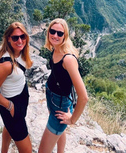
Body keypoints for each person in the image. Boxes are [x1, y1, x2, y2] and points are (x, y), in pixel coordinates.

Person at [38, 18, 89, 153]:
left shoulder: (68, 59)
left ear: (65, 36)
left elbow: (84, 97)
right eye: (52, 31)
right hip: (52, 96)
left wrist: (72, 120)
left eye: (59, 33)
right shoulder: (55, 49)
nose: (55, 35)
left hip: (60, 104)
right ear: (48, 32)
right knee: (60, 132)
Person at [0, 22, 33, 153]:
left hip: (21, 97)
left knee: (8, 128)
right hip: (12, 104)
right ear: (8, 39)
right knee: (27, 150)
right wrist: (10, 106)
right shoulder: (6, 64)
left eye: (22, 36)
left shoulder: (21, 54)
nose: (20, 40)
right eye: (15, 37)